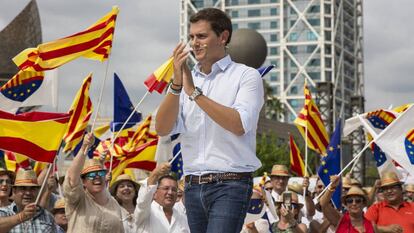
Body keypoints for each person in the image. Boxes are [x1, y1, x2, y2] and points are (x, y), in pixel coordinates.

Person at [155, 7, 264, 233]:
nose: (194, 43)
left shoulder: (246, 75)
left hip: (230, 183)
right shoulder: (185, 80)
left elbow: (239, 124)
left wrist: (194, 93)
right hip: (192, 186)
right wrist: (176, 85)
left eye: (202, 36)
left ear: (223, 37)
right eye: (192, 37)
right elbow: (162, 128)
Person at [63, 133, 124, 233]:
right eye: (91, 175)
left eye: (100, 173)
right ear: (83, 182)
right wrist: (84, 148)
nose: (97, 176)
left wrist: (101, 163)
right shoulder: (78, 200)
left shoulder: (114, 203)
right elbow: (72, 179)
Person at [134, 163, 190, 232]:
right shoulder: (145, 212)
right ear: (155, 192)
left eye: (174, 190)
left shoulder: (182, 217)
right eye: (166, 188)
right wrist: (155, 173)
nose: (170, 192)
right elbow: (143, 200)